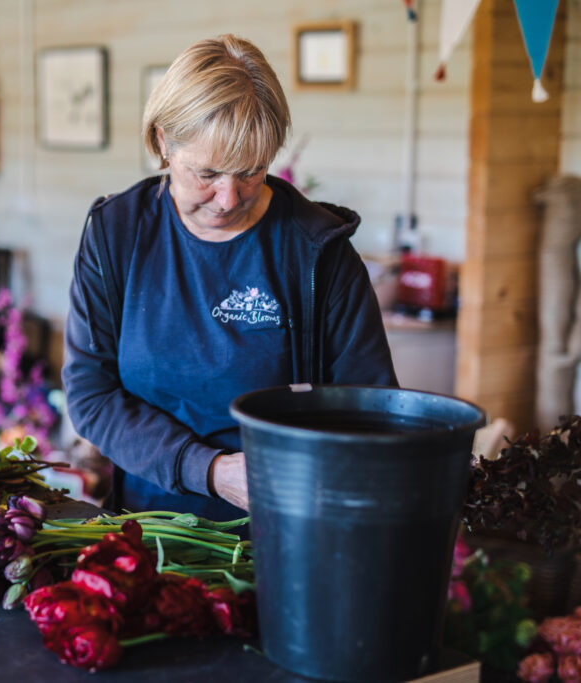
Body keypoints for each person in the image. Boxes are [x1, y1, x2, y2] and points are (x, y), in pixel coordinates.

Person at [61, 35, 398, 521]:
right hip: (148, 531)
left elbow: (373, 412)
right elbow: (91, 394)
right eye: (208, 173)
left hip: (286, 529)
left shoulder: (318, 253)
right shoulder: (116, 234)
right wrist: (210, 471)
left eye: (251, 171)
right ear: (162, 141)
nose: (228, 197)